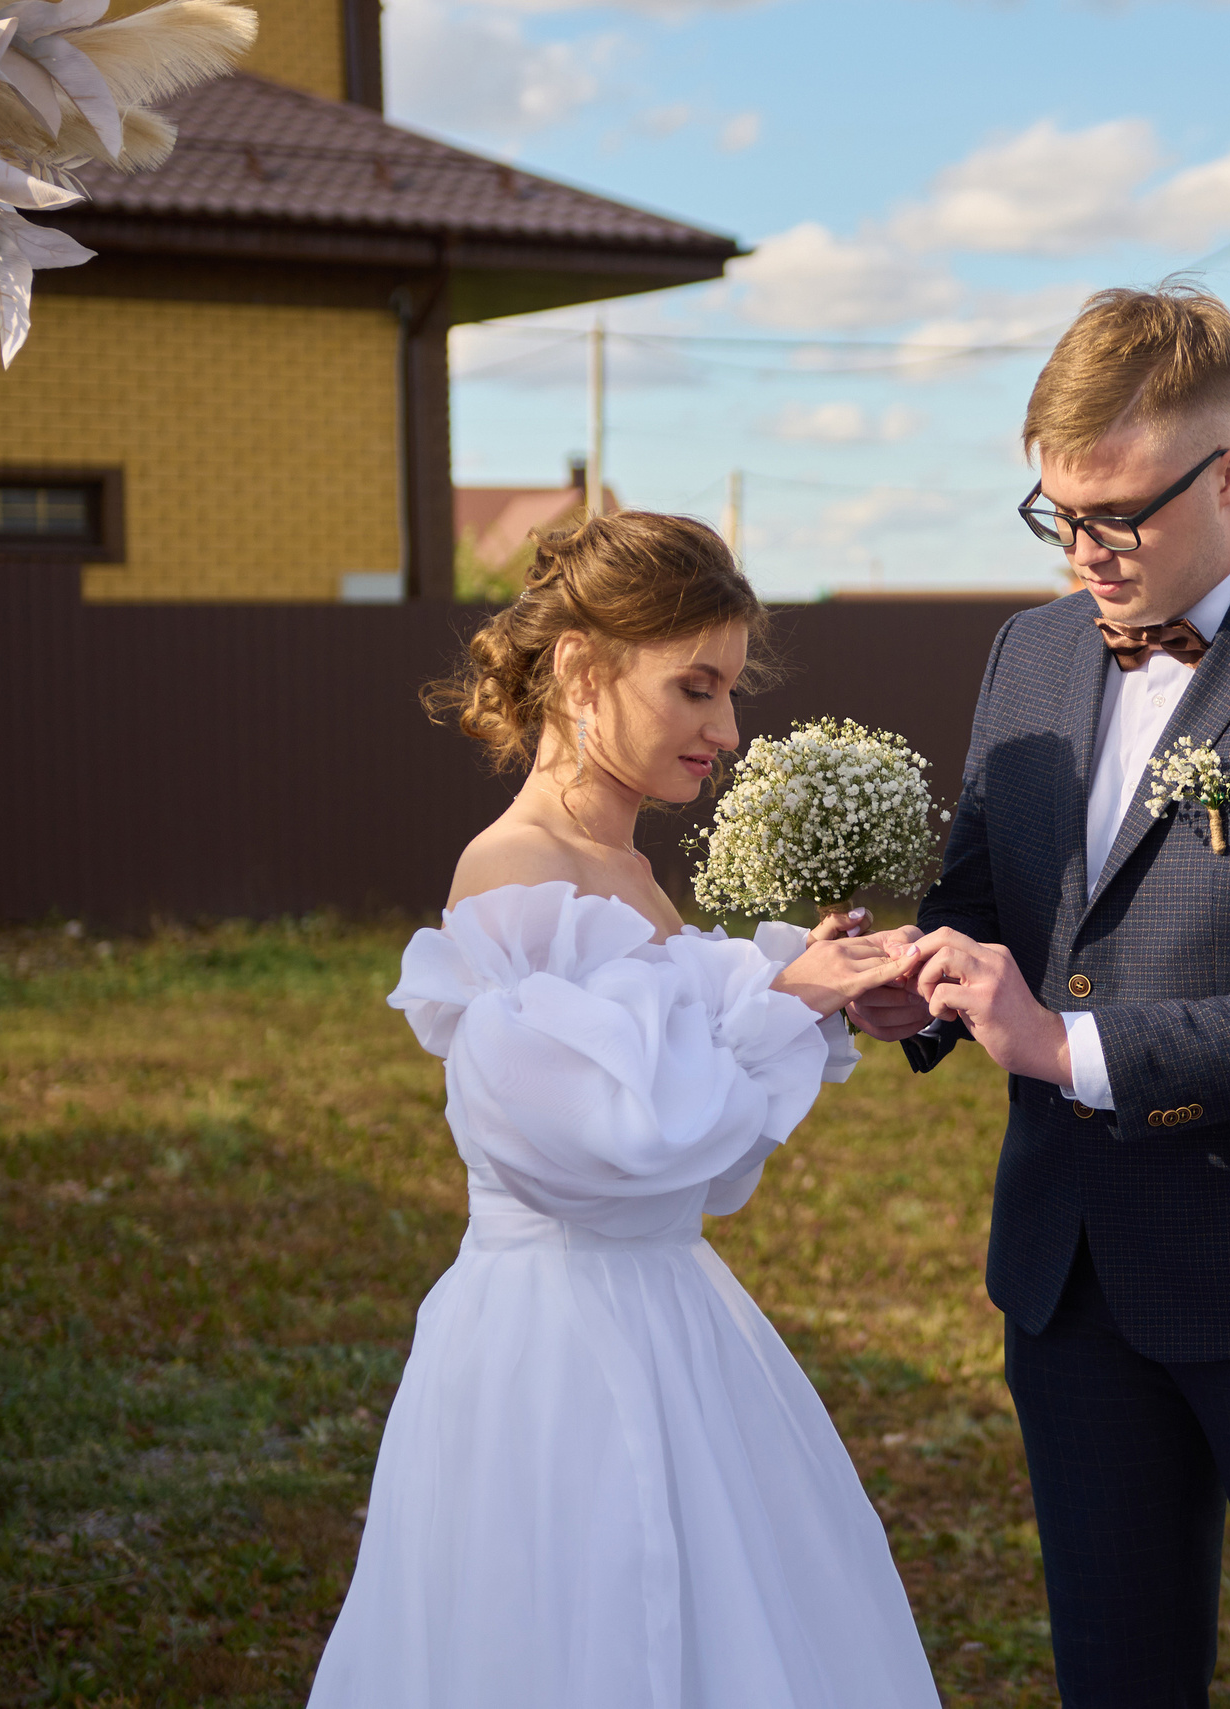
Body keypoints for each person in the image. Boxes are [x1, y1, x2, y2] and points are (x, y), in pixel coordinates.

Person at [851, 284, 1230, 1708]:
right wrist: (911, 983)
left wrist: (1062, 1045)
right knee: (1115, 1675)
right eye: (1056, 513)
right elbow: (984, 904)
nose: (1084, 553)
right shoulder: (1031, 651)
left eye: (1119, 514)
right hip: (1065, 1278)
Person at [307, 513, 942, 1709]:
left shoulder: (636, 874)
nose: (728, 728)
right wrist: (777, 1004)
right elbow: (609, 1139)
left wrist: (816, 998)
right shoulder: (512, 873)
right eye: (695, 687)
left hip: (673, 1317)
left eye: (732, 688)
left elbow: (694, 1159)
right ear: (582, 670)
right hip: (557, 1348)